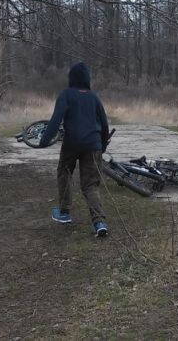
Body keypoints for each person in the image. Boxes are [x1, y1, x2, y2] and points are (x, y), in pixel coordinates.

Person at [40, 62, 111, 237]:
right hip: (93, 145)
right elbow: (104, 125)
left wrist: (44, 140)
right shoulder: (94, 98)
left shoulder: (66, 95)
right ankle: (99, 222)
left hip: (71, 144)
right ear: (88, 79)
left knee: (64, 173)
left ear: (71, 78)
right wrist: (101, 146)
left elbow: (55, 120)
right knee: (90, 185)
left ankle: (64, 212)